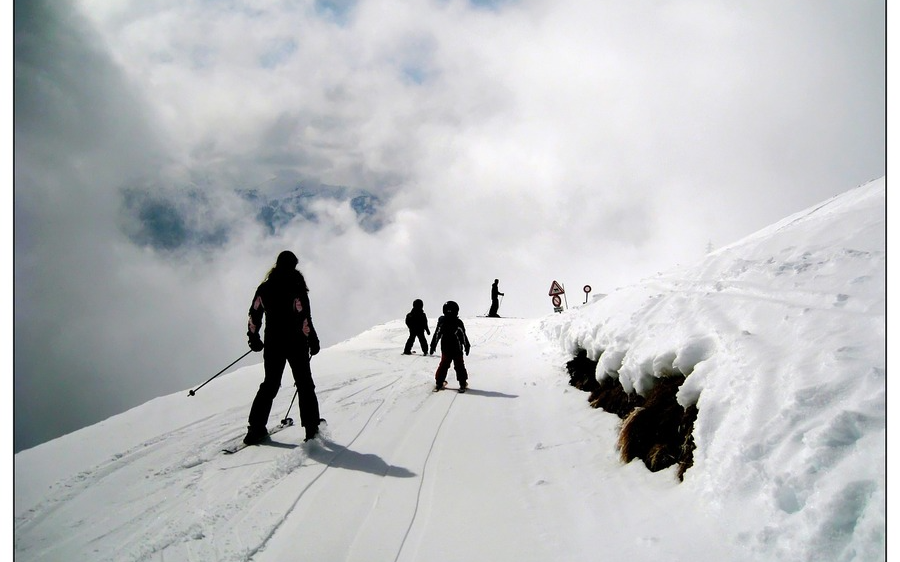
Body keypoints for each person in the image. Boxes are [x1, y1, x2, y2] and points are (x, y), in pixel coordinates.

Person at [244, 250, 322, 445]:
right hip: (296, 342)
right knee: (304, 383)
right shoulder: (296, 287)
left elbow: (254, 314)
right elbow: (304, 316)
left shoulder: (265, 288)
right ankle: (311, 429)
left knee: (270, 384)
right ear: (294, 265)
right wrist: (312, 339)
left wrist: (253, 338)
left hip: (273, 342)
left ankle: (255, 429)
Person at [429, 300, 471, 392]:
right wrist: (467, 346)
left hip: (446, 348)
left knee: (444, 365)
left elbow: (437, 334)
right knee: (459, 365)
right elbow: (463, 335)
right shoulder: (458, 322)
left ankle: (439, 382)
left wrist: (433, 346)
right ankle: (462, 383)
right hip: (457, 348)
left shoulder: (442, 321)